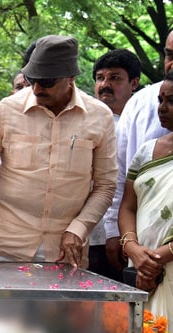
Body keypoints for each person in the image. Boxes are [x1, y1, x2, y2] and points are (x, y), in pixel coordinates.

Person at [0, 35, 117, 268]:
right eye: (32, 79)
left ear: (70, 77)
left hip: (65, 251)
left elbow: (106, 185)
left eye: (46, 82)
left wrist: (78, 229)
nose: (37, 88)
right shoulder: (9, 109)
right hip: (4, 248)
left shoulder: (99, 116)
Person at [105, 30, 173, 274]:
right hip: (139, 252)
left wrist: (159, 257)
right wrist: (120, 237)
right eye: (169, 55)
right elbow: (120, 175)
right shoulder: (140, 102)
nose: (163, 108)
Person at [118, 71, 173, 331]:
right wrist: (133, 249)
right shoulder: (147, 151)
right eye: (161, 100)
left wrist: (157, 258)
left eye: (172, 101)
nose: (163, 108)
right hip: (141, 268)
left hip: (163, 265)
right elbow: (128, 206)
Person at [88, 48, 141, 280]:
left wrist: (118, 234)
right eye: (100, 78)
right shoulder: (83, 121)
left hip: (132, 235)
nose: (105, 84)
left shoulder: (142, 123)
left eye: (115, 78)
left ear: (134, 83)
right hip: (89, 235)